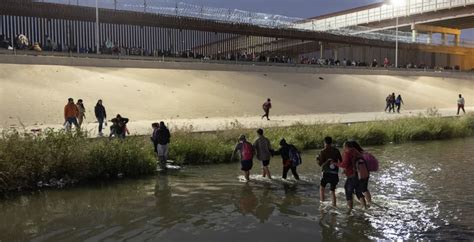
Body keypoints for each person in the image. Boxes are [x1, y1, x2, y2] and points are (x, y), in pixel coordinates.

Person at [337, 141, 367, 212]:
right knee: (358, 191)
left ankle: (349, 209)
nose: (343, 148)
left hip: (352, 176)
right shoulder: (356, 152)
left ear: (346, 146)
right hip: (359, 175)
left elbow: (344, 164)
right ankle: (364, 207)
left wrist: (336, 163)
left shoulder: (348, 153)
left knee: (348, 190)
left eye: (344, 147)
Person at [317, 137, 342, 207]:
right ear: (331, 143)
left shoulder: (323, 151)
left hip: (326, 173)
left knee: (322, 188)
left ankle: (322, 204)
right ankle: (334, 205)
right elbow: (341, 161)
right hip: (335, 173)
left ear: (324, 143)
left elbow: (320, 164)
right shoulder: (336, 151)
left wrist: (318, 159)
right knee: (332, 191)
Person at [351, 141, 373, 206]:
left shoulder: (354, 155)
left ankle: (361, 205)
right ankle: (369, 202)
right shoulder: (364, 153)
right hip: (366, 173)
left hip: (358, 174)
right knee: (364, 188)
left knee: (356, 190)